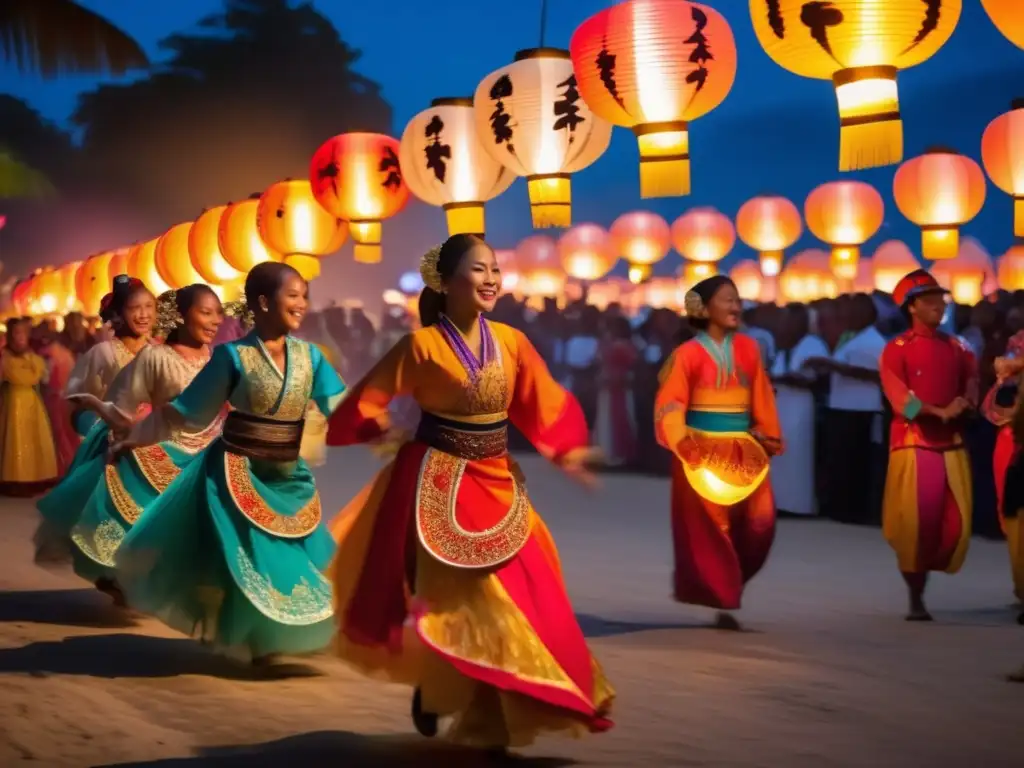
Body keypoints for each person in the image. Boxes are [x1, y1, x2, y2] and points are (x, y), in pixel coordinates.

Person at [325, 235, 613, 754]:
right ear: (446, 280)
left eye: (495, 268)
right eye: (479, 269)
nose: (492, 279)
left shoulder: (511, 342)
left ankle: (480, 699)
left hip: (498, 478)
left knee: (526, 589)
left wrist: (567, 451)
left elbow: (538, 401)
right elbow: (364, 403)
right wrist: (382, 430)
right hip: (438, 480)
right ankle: (463, 703)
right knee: (466, 602)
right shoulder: (419, 345)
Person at [109, 263, 345, 668]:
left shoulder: (311, 358)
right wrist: (133, 438)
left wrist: (388, 426)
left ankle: (279, 631)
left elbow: (343, 409)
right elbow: (185, 414)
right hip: (238, 471)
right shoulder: (231, 356)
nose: (301, 304)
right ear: (264, 303)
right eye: (293, 295)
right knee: (251, 558)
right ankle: (260, 636)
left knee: (297, 560)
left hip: (290, 476)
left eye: (304, 295)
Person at [61, 285, 226, 598]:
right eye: (206, 312)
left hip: (209, 456)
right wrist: (96, 408)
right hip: (165, 453)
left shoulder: (220, 359)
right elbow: (123, 410)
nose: (215, 320)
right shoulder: (155, 357)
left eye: (218, 313)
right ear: (179, 315)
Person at [654, 276, 783, 630]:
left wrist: (769, 436)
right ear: (704, 308)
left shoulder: (749, 349)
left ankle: (731, 584)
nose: (735, 307)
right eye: (727, 300)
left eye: (737, 300)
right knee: (713, 529)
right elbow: (671, 404)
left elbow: (762, 396)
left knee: (760, 524)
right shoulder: (687, 355)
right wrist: (683, 444)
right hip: (701, 450)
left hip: (743, 448)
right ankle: (724, 594)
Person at [34, 276, 156, 601]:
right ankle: (112, 571)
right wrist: (97, 417)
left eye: (149, 307)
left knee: (150, 508)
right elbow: (76, 392)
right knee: (112, 511)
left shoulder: (159, 350)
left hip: (156, 440)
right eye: (134, 308)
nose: (143, 315)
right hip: (113, 440)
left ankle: (139, 571)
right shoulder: (103, 352)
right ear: (118, 314)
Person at [880, 270, 976, 622]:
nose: (938, 307)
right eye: (930, 301)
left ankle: (924, 583)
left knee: (954, 523)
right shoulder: (896, 350)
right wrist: (939, 411)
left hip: (952, 444)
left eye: (941, 300)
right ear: (912, 307)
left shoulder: (959, 347)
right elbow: (900, 399)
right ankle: (915, 595)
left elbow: (972, 385)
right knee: (914, 525)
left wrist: (963, 405)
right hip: (913, 444)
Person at [807, 294, 887, 525]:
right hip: (842, 406)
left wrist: (835, 366)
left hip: (861, 410)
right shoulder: (852, 338)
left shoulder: (873, 341)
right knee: (841, 460)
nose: (846, 316)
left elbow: (878, 375)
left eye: (853, 312)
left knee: (856, 462)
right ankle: (841, 508)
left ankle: (856, 511)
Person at [769, 304, 828, 516]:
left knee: (799, 457)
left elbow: (816, 379)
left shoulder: (812, 344)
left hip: (801, 407)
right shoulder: (784, 347)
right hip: (782, 406)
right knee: (782, 456)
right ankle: (781, 503)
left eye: (791, 321)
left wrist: (784, 379)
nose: (786, 325)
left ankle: (799, 506)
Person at [0, 318, 59, 495]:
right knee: (14, 440)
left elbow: (40, 376)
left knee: (33, 440)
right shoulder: (5, 358)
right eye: (17, 334)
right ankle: (14, 480)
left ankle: (36, 478)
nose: (20, 338)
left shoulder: (34, 358)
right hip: (12, 403)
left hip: (31, 402)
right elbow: (15, 376)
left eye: (23, 334)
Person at [593, 315, 638, 467]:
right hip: (608, 387)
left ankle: (618, 454)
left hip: (619, 388)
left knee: (619, 419)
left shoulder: (623, 346)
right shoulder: (613, 345)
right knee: (608, 419)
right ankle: (609, 453)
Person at [36, 322, 80, 475]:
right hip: (66, 398)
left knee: (57, 434)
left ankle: (61, 468)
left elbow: (45, 379)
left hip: (53, 399)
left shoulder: (46, 354)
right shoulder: (65, 353)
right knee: (67, 433)